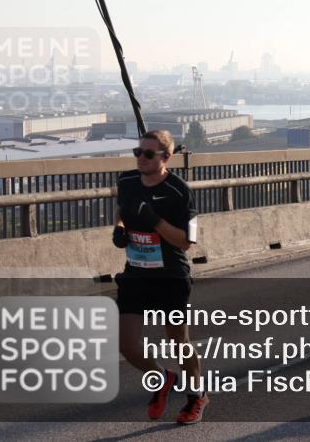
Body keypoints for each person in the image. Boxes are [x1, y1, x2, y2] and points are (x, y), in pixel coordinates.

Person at [114, 130, 208, 425]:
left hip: (170, 274)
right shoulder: (127, 181)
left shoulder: (181, 190)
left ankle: (196, 397)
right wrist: (118, 227)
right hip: (135, 274)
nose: (140, 158)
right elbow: (121, 208)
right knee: (127, 345)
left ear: (166, 158)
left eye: (148, 154)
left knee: (178, 342)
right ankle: (163, 378)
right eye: (137, 152)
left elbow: (186, 242)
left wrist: (153, 218)